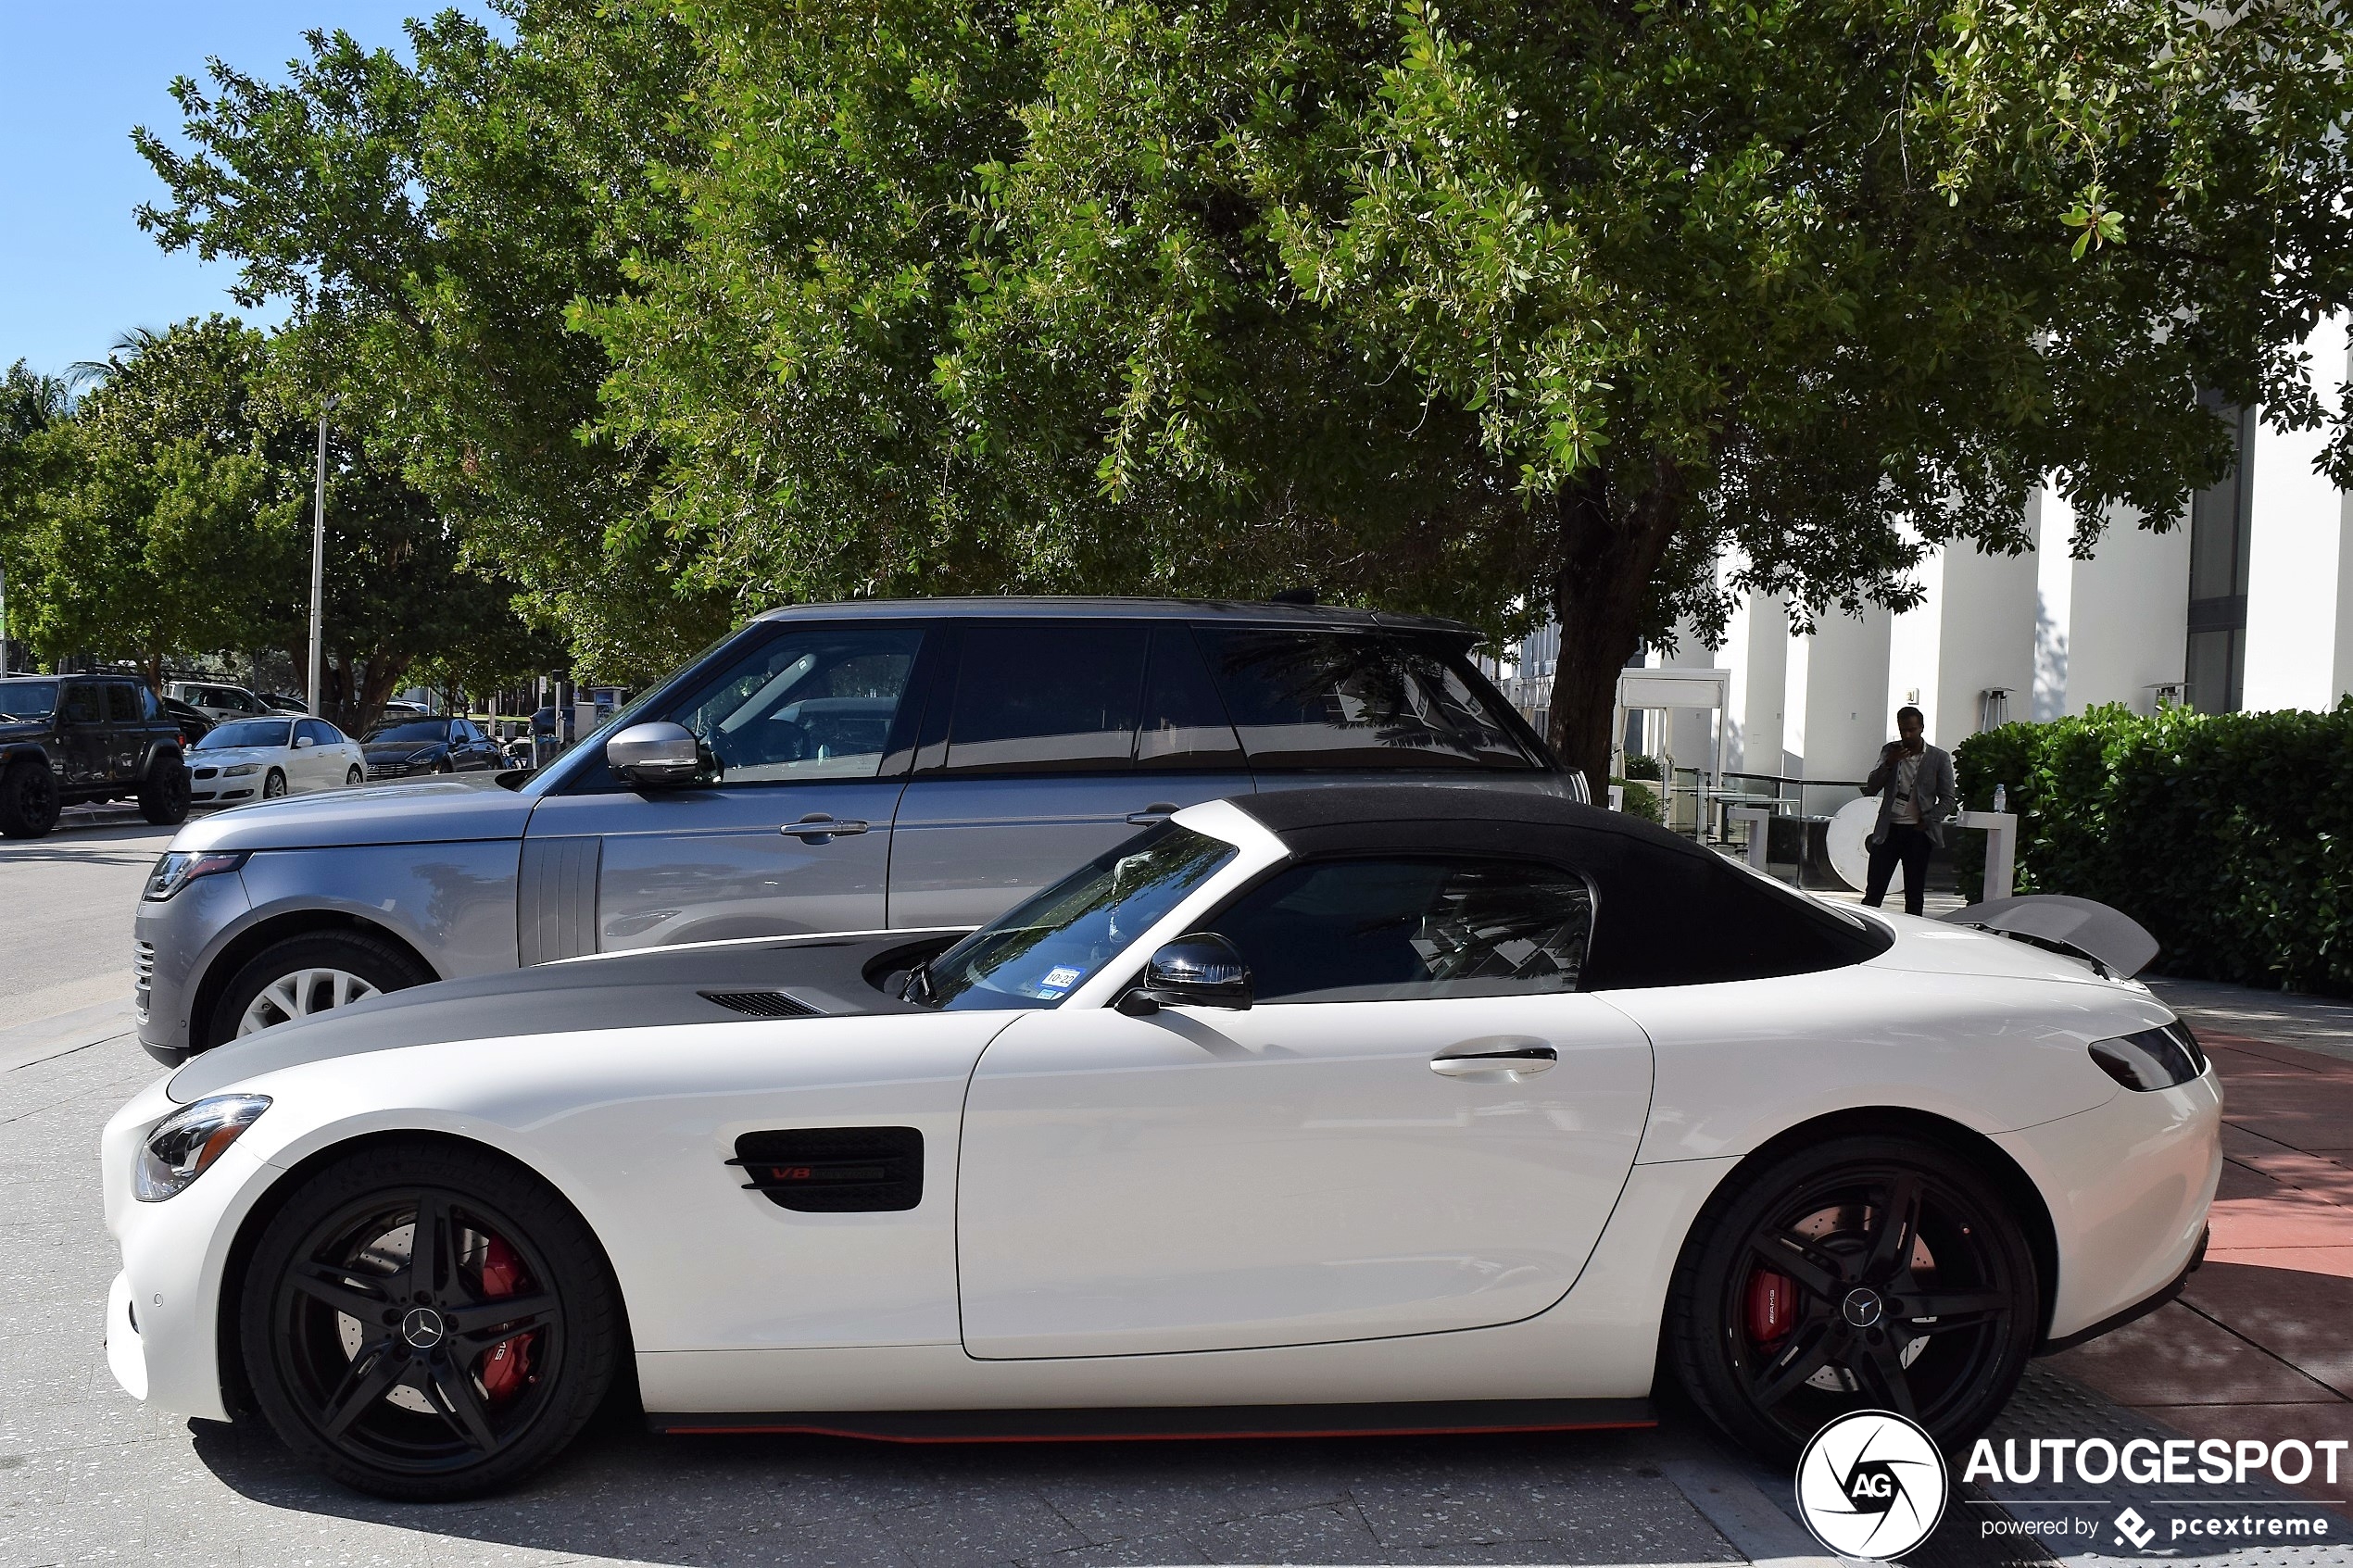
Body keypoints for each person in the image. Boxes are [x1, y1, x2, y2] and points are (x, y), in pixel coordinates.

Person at [1858, 705, 1955, 916]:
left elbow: (1948, 799)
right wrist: (1890, 764)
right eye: (1903, 730)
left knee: (1914, 894)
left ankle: (1913, 940)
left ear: (1921, 728)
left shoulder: (1938, 757)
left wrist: (1929, 820)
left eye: (1911, 730)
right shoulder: (1890, 751)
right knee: (1874, 891)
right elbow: (1871, 787)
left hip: (1918, 833)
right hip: (1888, 830)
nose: (1907, 735)